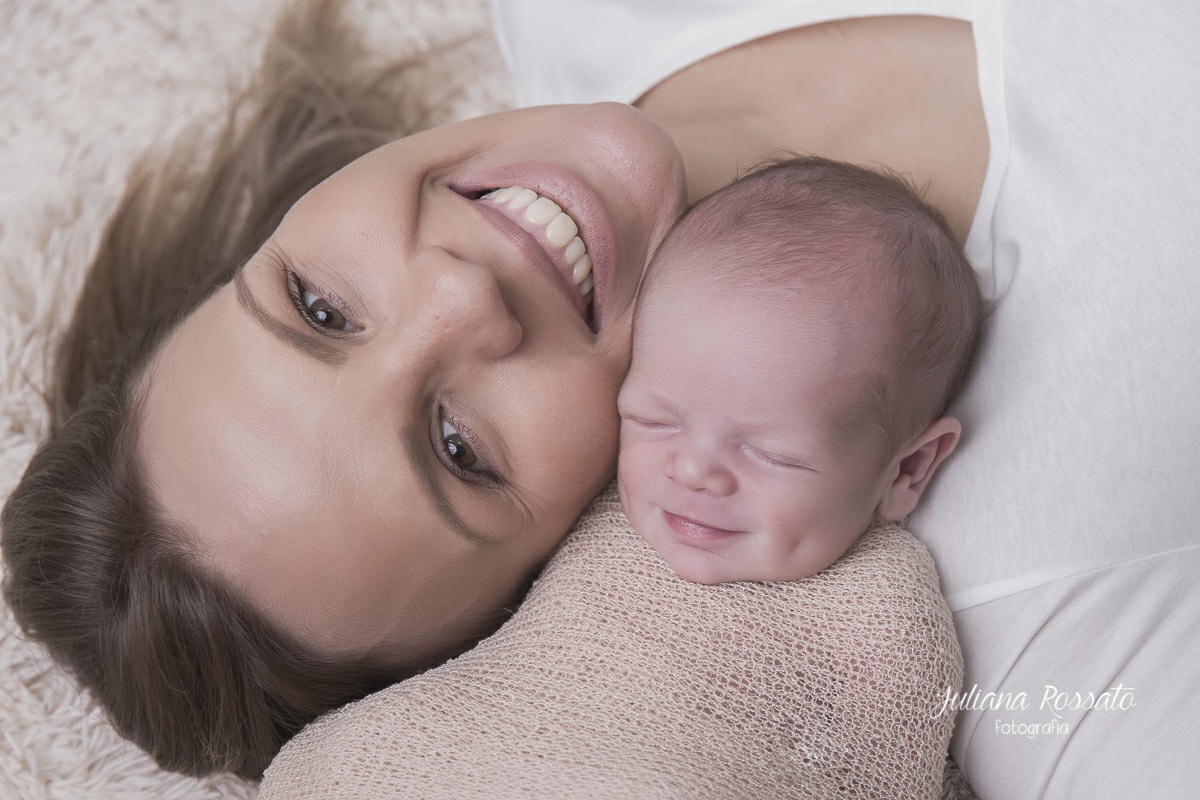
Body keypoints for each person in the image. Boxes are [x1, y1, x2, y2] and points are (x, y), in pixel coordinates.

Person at [2, 0, 1197, 794]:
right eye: (460, 446)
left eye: (318, 307)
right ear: (579, 555)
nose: (461, 298)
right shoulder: (1047, 634)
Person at [615, 156, 982, 585]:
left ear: (907, 469)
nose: (694, 470)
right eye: (653, 421)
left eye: (771, 455)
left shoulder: (880, 612)